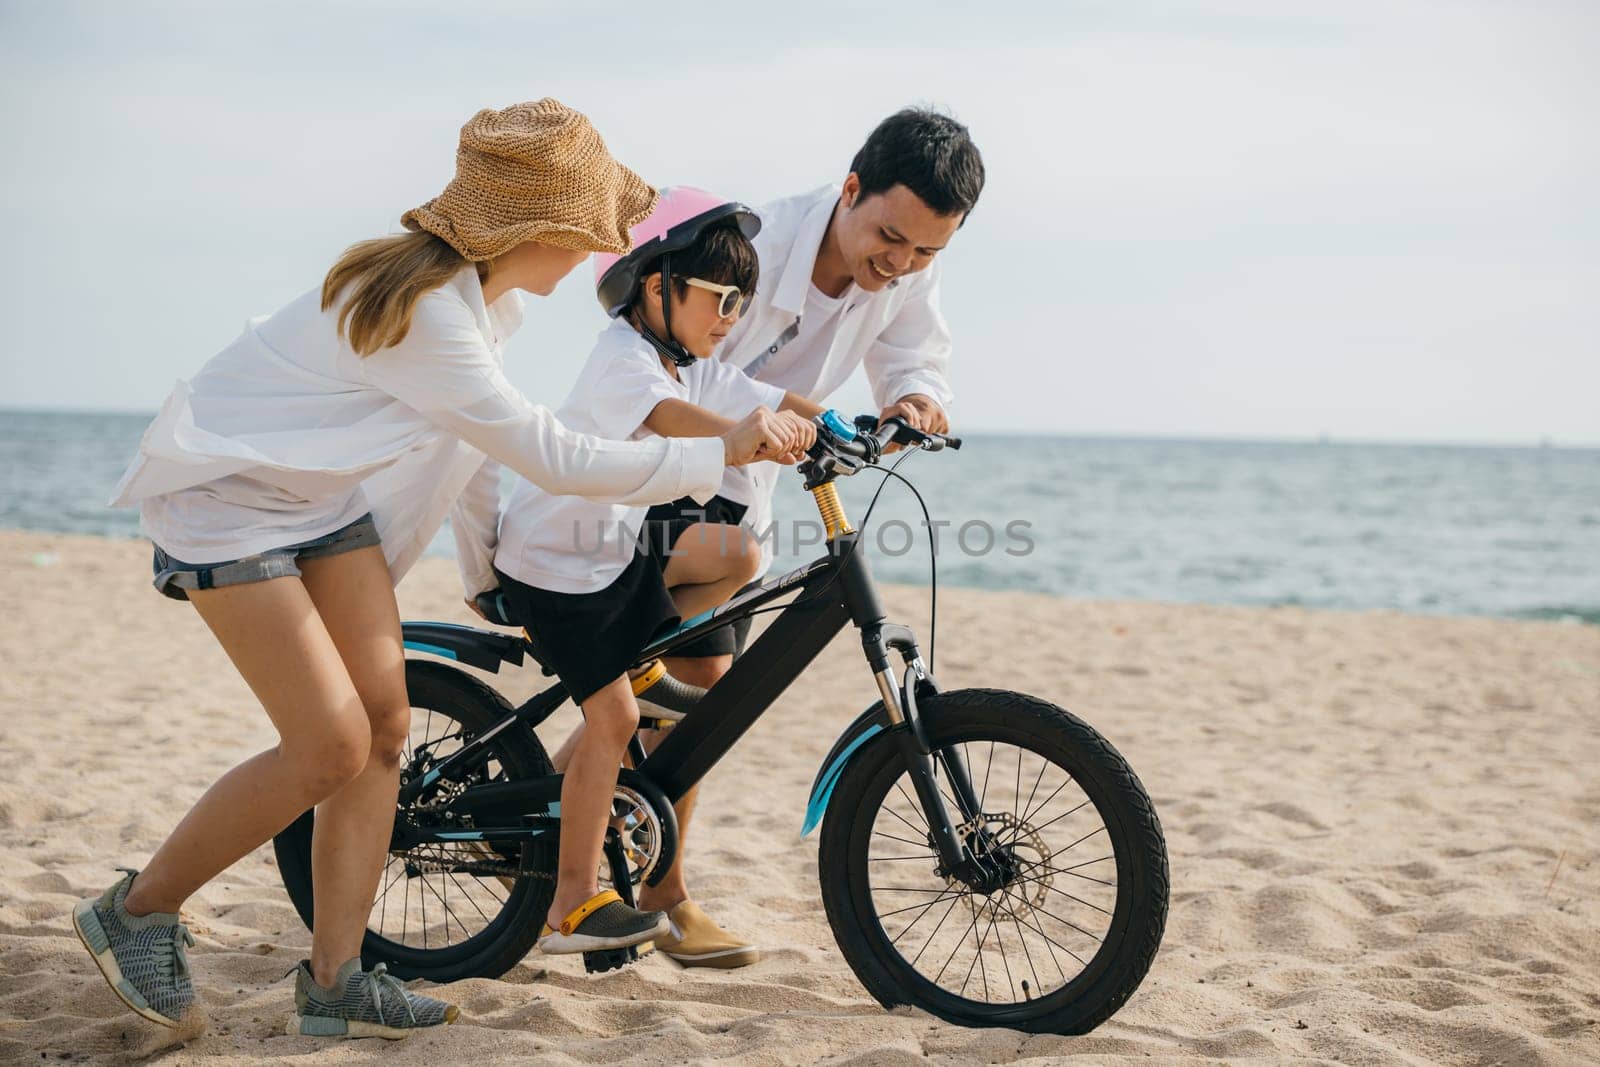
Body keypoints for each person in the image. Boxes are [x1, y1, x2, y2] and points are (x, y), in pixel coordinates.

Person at [74, 100, 793, 1040]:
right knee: (328, 745)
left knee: (382, 729)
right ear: (539, 231)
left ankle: (333, 979)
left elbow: (461, 457)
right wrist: (722, 453)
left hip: (321, 503)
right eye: (584, 237)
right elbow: (549, 454)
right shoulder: (429, 314)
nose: (591, 259)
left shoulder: (483, 304)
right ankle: (134, 913)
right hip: (226, 503)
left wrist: (480, 563)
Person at [628, 108, 986, 968]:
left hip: (746, 486)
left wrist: (915, 399)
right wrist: (789, 415)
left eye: (927, 253)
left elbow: (913, 355)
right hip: (655, 474)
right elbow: (678, 362)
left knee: (693, 701)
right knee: (695, 690)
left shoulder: (906, 269)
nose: (899, 264)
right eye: (890, 237)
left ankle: (632, 868)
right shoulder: (748, 245)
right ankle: (661, 891)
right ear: (850, 189)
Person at [482, 188, 823, 958]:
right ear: (655, 285)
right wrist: (749, 439)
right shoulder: (624, 362)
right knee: (619, 722)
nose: (733, 316)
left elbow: (765, 396)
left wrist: (840, 424)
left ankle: (633, 678)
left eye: (745, 299)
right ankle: (569, 902)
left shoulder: (691, 361)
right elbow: (678, 422)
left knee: (717, 603)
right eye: (721, 297)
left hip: (611, 553)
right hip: (557, 560)